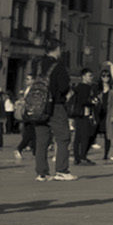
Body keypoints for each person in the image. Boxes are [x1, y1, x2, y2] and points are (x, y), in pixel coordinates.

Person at [27, 45, 75, 182]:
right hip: (55, 106)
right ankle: (62, 170)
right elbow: (63, 86)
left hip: (38, 107)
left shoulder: (37, 65)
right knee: (63, 137)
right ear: (56, 49)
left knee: (42, 140)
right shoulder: (58, 66)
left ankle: (42, 173)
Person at [69, 67, 100, 166]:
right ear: (83, 77)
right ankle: (82, 157)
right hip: (84, 114)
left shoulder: (77, 87)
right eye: (89, 76)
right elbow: (83, 101)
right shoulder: (85, 87)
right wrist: (92, 101)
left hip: (77, 114)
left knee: (78, 137)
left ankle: (77, 158)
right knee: (84, 136)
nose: (91, 78)